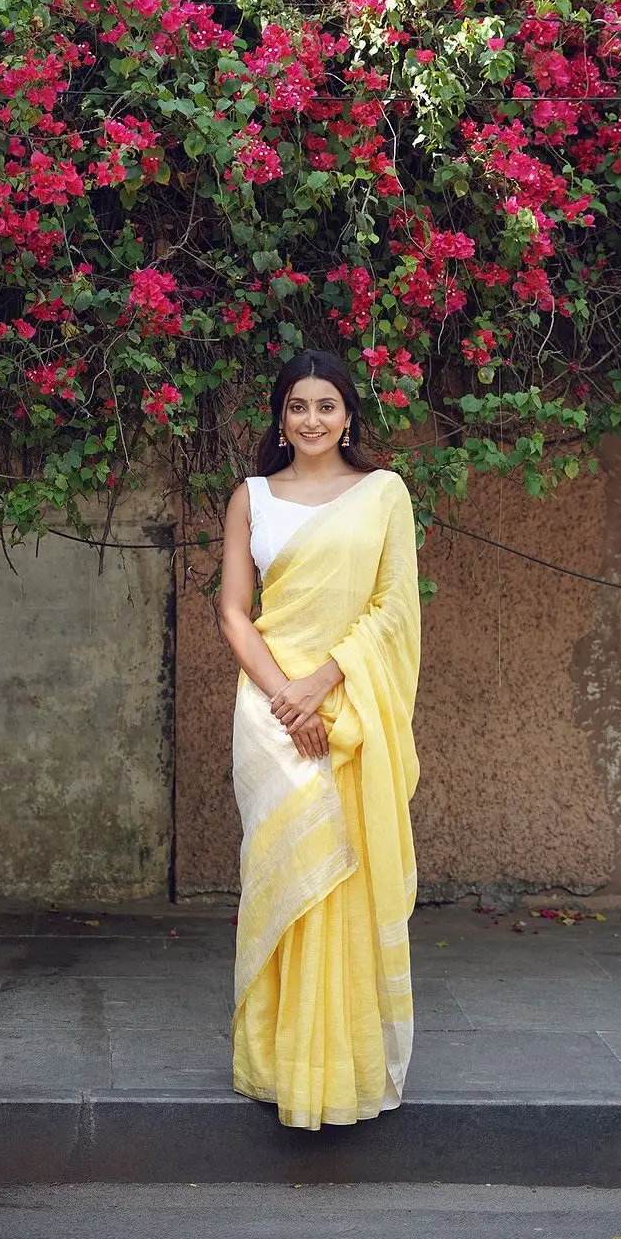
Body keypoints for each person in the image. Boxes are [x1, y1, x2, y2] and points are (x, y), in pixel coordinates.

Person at [217, 348, 421, 1130]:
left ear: (348, 416)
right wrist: (284, 695)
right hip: (271, 715)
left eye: (326, 405)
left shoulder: (382, 494)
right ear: (280, 416)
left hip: (345, 707)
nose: (311, 418)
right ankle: (278, 1064)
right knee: (286, 880)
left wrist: (322, 683)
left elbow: (394, 606)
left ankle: (343, 1066)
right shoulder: (253, 497)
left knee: (342, 885)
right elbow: (237, 611)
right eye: (297, 405)